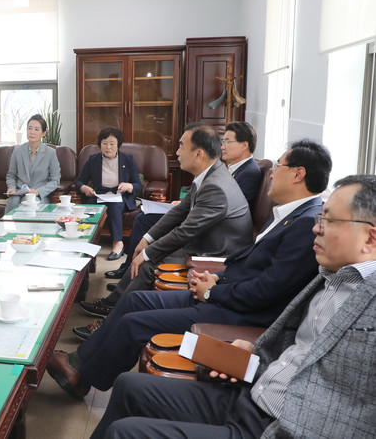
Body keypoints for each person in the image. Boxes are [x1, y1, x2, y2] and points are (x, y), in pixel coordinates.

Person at [90, 174, 376, 439]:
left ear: (369, 237)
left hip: (279, 424)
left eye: (330, 220)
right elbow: (301, 348)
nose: (317, 227)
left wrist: (213, 292)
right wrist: (254, 352)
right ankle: (82, 371)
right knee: (128, 386)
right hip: (254, 392)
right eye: (320, 217)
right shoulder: (330, 277)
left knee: (124, 432)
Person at [48, 140, 330, 393]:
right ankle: (78, 362)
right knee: (135, 300)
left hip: (238, 313)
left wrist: (213, 291)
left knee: (134, 323)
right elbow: (253, 265)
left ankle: (83, 376)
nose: (272, 174)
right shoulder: (290, 214)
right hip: (226, 292)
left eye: (279, 166)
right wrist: (216, 280)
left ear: (298, 174)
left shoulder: (305, 224)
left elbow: (268, 291)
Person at [80, 124, 254, 317]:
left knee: (148, 263)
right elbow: (180, 211)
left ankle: (113, 318)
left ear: (198, 154)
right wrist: (147, 239)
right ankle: (111, 306)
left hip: (215, 254)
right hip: (203, 243)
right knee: (147, 254)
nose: (177, 152)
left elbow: (185, 231)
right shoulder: (210, 174)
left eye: (181, 146)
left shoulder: (215, 186)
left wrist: (147, 252)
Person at [105, 121, 262, 280]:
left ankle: (126, 278)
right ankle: (126, 275)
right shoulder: (215, 171)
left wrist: (147, 252)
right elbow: (188, 208)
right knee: (147, 227)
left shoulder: (242, 174)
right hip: (206, 229)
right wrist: (147, 240)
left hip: (215, 246)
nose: (223, 147)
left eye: (228, 142)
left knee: (149, 251)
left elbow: (219, 210)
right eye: (223, 141)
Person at [76, 127, 142, 260]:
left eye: (112, 143)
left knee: (112, 206)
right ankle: (84, 244)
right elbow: (79, 181)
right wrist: (85, 188)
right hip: (99, 195)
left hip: (120, 197)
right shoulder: (93, 160)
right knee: (87, 208)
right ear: (99, 144)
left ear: (118, 145)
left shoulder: (128, 159)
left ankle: (118, 243)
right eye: (105, 143)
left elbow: (138, 184)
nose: (108, 147)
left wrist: (128, 186)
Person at [5, 114, 61, 213]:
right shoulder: (17, 150)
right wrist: (12, 188)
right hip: (19, 192)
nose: (32, 132)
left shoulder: (50, 153)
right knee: (13, 202)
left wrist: (38, 191)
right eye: (29, 128)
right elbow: (11, 175)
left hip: (38, 195)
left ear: (44, 133)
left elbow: (55, 180)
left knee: (31, 203)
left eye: (36, 129)